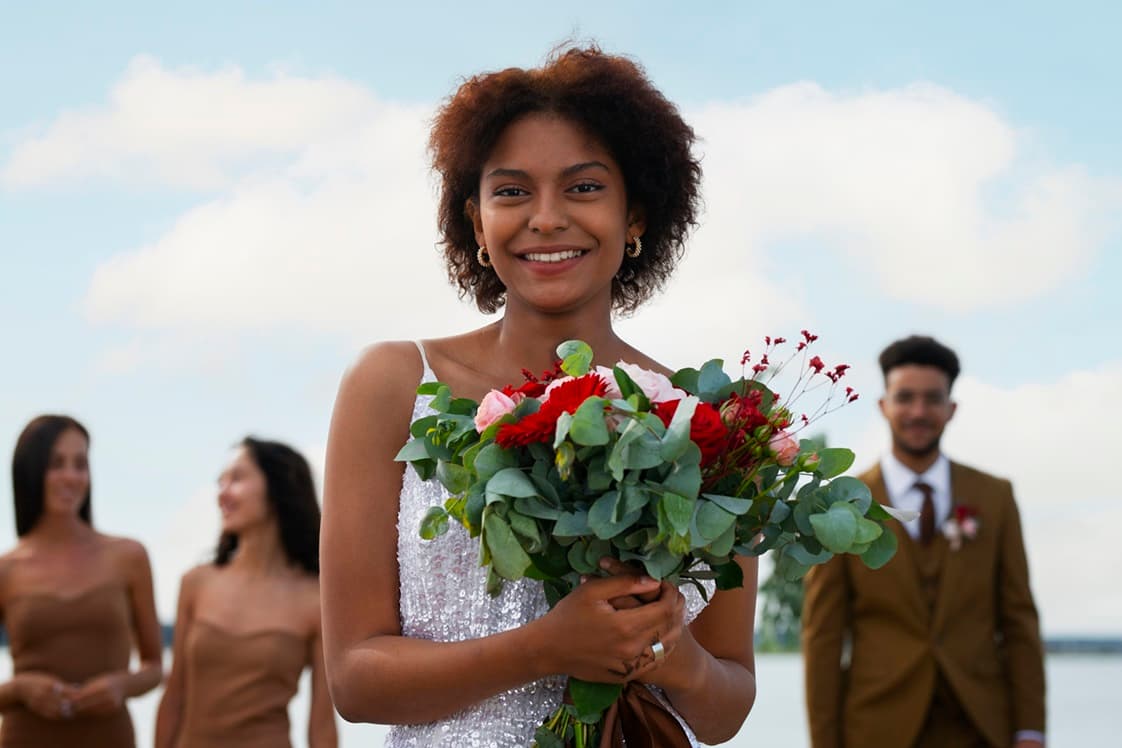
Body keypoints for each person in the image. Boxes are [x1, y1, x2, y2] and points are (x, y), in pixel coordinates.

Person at [320, 45, 758, 748]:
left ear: (637, 215)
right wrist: (548, 647)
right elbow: (353, 681)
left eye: (584, 187)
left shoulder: (702, 425)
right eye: (512, 191)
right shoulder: (393, 384)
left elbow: (726, 710)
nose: (547, 218)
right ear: (476, 223)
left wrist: (676, 658)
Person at [801, 335, 1046, 748]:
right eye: (906, 397)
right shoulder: (837, 505)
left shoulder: (995, 497)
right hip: (875, 730)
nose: (918, 411)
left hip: (983, 727)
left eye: (932, 399)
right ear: (884, 405)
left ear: (951, 409)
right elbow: (823, 637)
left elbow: (1020, 622)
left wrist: (1030, 731)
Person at [155, 437, 337, 748]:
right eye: (220, 482)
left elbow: (321, 724)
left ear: (278, 488)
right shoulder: (196, 583)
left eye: (237, 479)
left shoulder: (315, 599)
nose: (222, 494)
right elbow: (174, 697)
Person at [0, 414, 163, 747]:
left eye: (80, 464)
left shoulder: (129, 556)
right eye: (56, 464)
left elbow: (154, 667)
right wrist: (20, 689)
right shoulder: (6, 570)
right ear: (30, 472)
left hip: (110, 738)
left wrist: (121, 686)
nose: (71, 477)